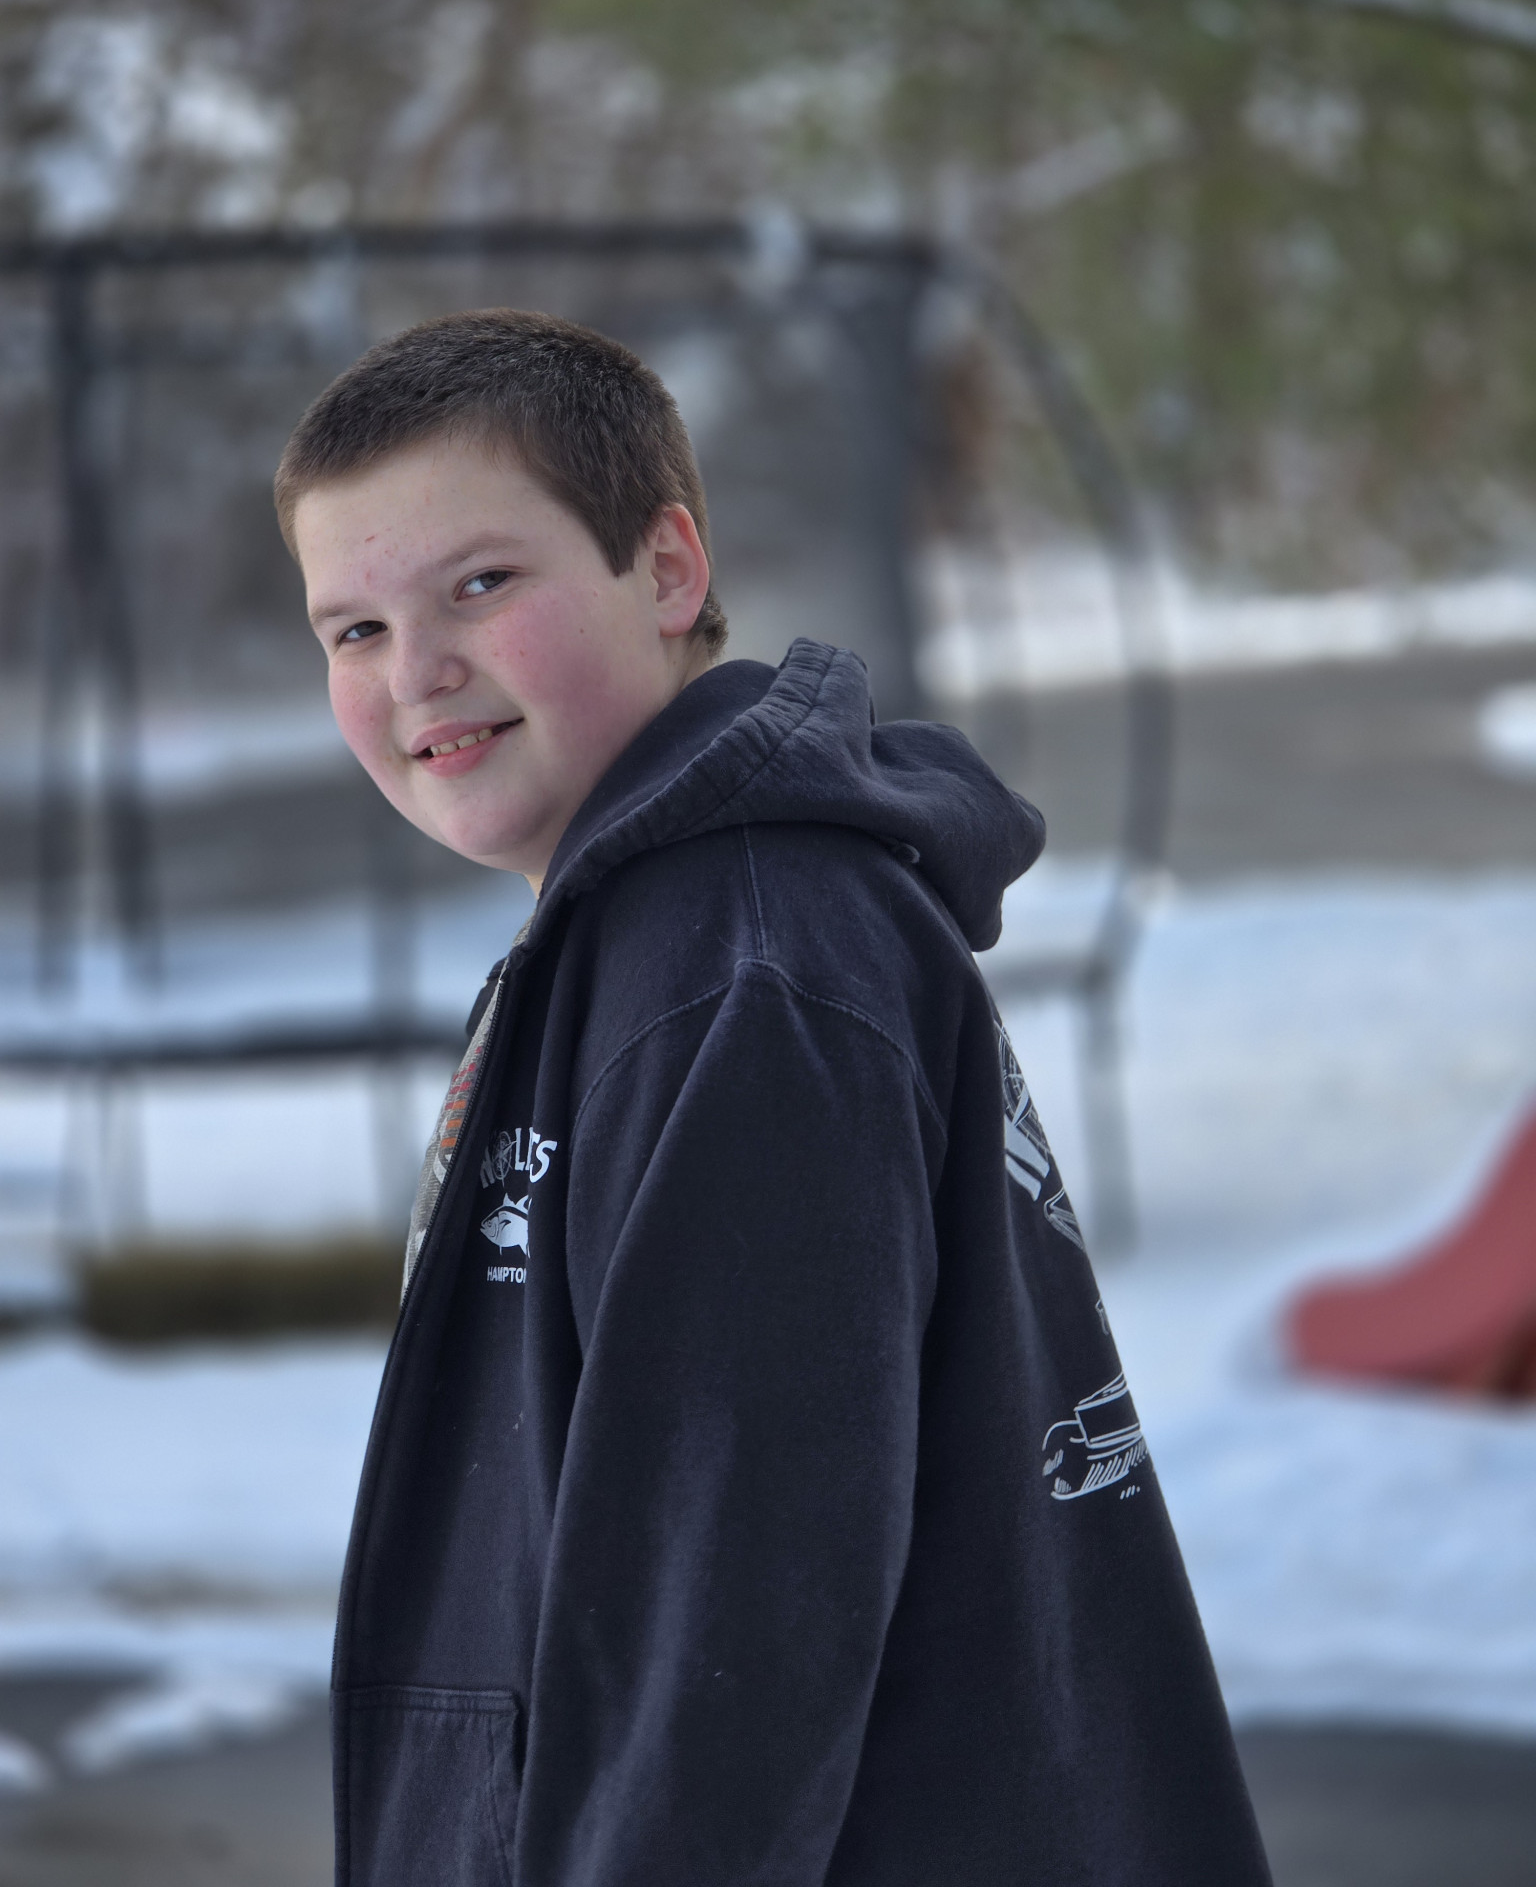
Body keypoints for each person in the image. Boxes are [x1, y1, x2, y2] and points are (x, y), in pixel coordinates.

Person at [275, 309, 1271, 1887]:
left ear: (667, 569)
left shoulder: (746, 971)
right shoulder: (643, 942)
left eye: (481, 584)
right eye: (353, 629)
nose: (418, 672)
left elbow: (725, 1650)